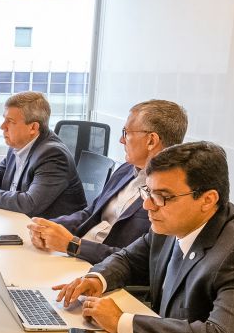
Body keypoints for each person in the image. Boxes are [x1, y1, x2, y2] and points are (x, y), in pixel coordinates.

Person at [55, 142, 234, 333]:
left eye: (163, 197)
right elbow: (129, 258)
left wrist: (122, 322)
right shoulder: (171, 223)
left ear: (208, 200)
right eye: (148, 192)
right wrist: (96, 279)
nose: (148, 205)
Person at [27, 100, 188, 264]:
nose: (121, 140)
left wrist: (73, 245)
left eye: (126, 133)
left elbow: (139, 260)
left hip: (102, 270)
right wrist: (47, 227)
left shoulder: (171, 195)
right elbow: (90, 213)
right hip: (75, 258)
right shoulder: (126, 170)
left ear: (151, 140)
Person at [0, 92, 86, 218]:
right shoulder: (18, 144)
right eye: (4, 119)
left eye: (10, 121)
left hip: (48, 231)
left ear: (33, 127)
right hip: (18, 222)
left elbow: (30, 204)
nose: (2, 126)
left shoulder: (53, 156)